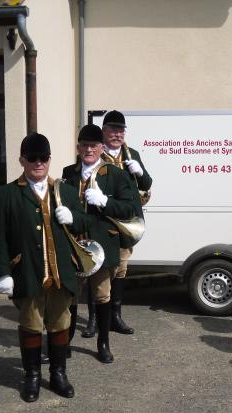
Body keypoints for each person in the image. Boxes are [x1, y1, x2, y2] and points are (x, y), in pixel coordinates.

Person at [0, 133, 88, 402]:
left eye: (43, 158)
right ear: (22, 160)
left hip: (61, 274)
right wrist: (3, 273)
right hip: (28, 273)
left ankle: (58, 374)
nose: (38, 163)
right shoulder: (6, 194)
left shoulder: (64, 191)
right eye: (32, 158)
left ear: (49, 160)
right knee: (31, 325)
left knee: (60, 324)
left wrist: (73, 218)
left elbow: (83, 223)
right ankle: (32, 376)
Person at [62, 124, 138, 363]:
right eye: (84, 145)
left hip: (102, 245)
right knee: (70, 296)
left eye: (93, 145)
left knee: (102, 295)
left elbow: (129, 208)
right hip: (75, 245)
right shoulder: (69, 172)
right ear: (78, 147)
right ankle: (66, 341)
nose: (88, 150)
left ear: (101, 147)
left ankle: (103, 343)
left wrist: (105, 201)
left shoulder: (115, 174)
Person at [100, 110, 152, 335]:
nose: (117, 134)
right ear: (104, 131)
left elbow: (147, 183)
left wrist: (139, 172)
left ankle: (115, 317)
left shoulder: (132, 154)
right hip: (101, 221)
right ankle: (95, 318)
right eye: (112, 129)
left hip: (126, 221)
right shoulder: (95, 152)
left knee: (121, 269)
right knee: (100, 270)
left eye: (120, 130)